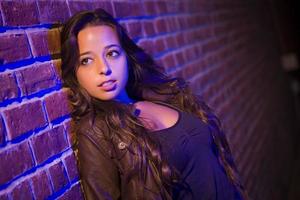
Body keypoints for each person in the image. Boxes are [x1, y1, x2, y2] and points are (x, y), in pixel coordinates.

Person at [60, 8, 249, 200]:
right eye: (86, 60)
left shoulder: (163, 96)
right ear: (74, 73)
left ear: (126, 56)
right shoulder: (95, 130)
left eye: (112, 53)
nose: (104, 69)